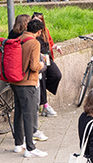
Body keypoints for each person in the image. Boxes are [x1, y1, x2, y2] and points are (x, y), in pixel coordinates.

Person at [10, 18, 47, 158]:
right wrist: (43, 65)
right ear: (38, 31)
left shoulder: (19, 38)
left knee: (18, 113)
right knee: (29, 114)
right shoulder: (34, 43)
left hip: (15, 82)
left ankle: (18, 145)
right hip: (27, 83)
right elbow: (34, 66)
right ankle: (30, 148)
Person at [32, 13, 62, 118]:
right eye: (35, 20)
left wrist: (55, 47)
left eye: (39, 21)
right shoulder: (32, 33)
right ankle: (45, 106)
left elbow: (50, 42)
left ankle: (43, 91)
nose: (37, 23)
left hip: (47, 58)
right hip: (38, 59)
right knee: (42, 80)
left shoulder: (45, 31)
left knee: (57, 75)